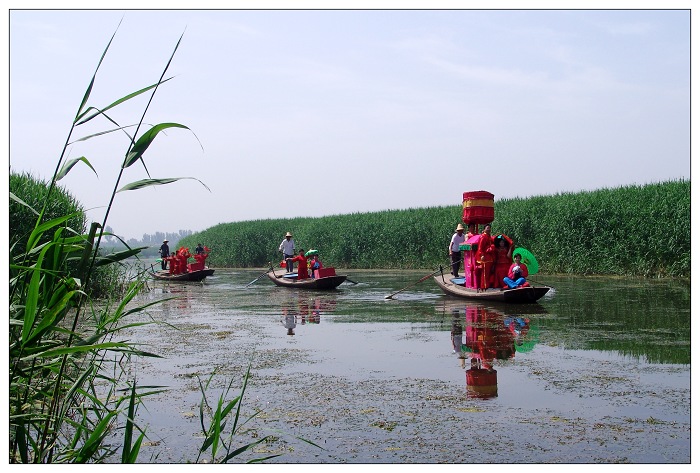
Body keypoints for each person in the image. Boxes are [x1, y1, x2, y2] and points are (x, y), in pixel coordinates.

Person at [475, 224, 495, 289]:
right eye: (487, 228)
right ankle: (484, 286)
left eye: (489, 228)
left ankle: (488, 285)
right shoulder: (483, 236)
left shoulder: (489, 237)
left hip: (489, 257)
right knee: (485, 273)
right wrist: (482, 255)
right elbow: (480, 247)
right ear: (484, 229)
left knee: (489, 273)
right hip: (485, 257)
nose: (489, 229)